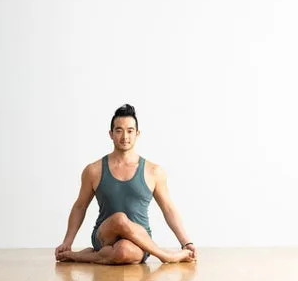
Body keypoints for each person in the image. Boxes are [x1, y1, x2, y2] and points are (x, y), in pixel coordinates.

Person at [55, 104, 197, 264]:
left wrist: (186, 242)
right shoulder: (93, 170)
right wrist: (67, 242)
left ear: (137, 134)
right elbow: (80, 206)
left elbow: (168, 209)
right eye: (119, 130)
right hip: (104, 235)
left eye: (130, 131)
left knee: (122, 252)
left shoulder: (154, 171)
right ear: (111, 134)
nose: (125, 136)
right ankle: (166, 256)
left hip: (140, 241)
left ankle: (80, 256)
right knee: (120, 219)